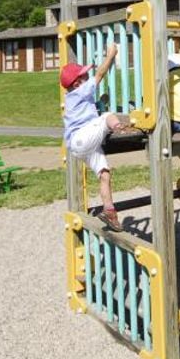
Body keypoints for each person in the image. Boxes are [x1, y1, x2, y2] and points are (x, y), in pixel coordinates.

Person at [61, 44, 124, 232]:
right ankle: (121, 128)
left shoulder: (73, 97)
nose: (87, 76)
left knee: (104, 174)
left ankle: (109, 212)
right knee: (107, 117)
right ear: (77, 83)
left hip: (80, 146)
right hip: (81, 137)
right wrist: (111, 55)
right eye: (83, 75)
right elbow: (100, 75)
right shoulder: (79, 91)